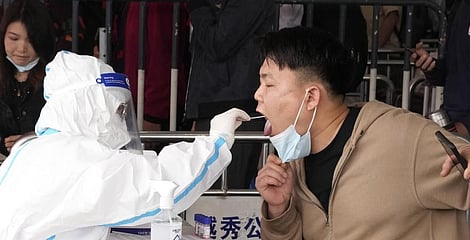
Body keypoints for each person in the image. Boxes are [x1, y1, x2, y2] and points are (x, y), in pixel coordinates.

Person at [253, 26, 470, 240]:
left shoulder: (400, 138)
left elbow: (468, 162)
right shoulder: (293, 162)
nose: (257, 95)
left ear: (311, 97)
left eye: (269, 85)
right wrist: (279, 210)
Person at [0, 51, 252, 240]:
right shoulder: (77, 158)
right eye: (118, 111)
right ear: (91, 106)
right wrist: (217, 140)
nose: (121, 121)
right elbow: (160, 183)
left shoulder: (30, 150)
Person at [185, 0, 274, 189]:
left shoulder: (244, 6)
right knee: (211, 193)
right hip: (218, 103)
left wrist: (197, 7)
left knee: (223, 195)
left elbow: (219, 42)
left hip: (235, 107)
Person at [411, 0, 470, 142]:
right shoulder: (460, 6)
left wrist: (469, 126)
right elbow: (452, 71)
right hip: (453, 122)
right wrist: (430, 67)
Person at [123, 1, 189, 132]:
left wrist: (153, 116)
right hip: (140, 103)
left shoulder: (158, 6)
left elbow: (161, 57)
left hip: (154, 109)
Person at [0, 0, 55, 157]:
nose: (22, 48)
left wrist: (33, 141)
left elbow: (73, 134)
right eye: (14, 38)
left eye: (31, 40)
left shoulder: (57, 81)